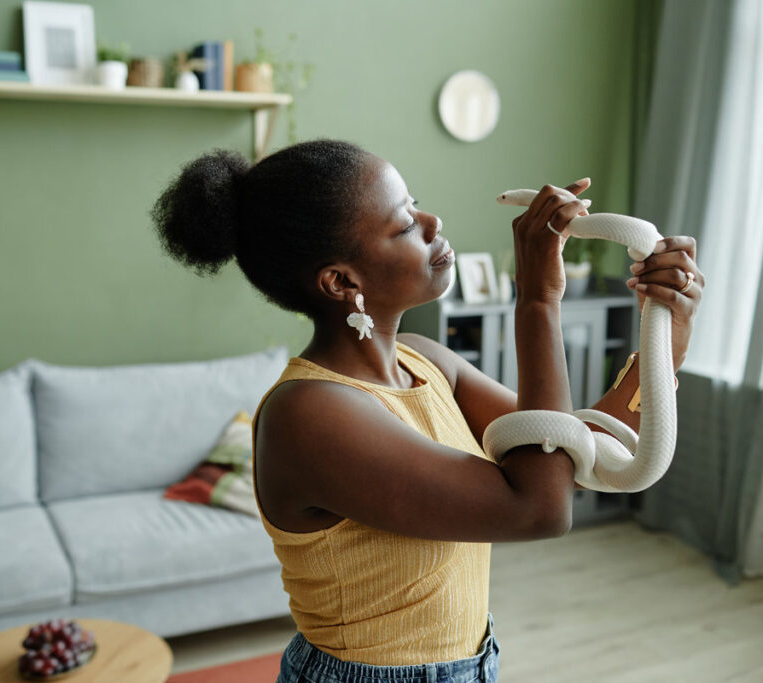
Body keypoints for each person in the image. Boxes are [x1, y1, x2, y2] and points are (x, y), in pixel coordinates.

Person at [152, 139, 704, 683]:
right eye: (404, 224)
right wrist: (538, 300)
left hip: (470, 663)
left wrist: (664, 347)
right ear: (342, 281)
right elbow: (540, 508)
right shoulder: (309, 414)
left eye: (415, 203)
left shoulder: (429, 363)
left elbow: (577, 459)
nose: (433, 222)